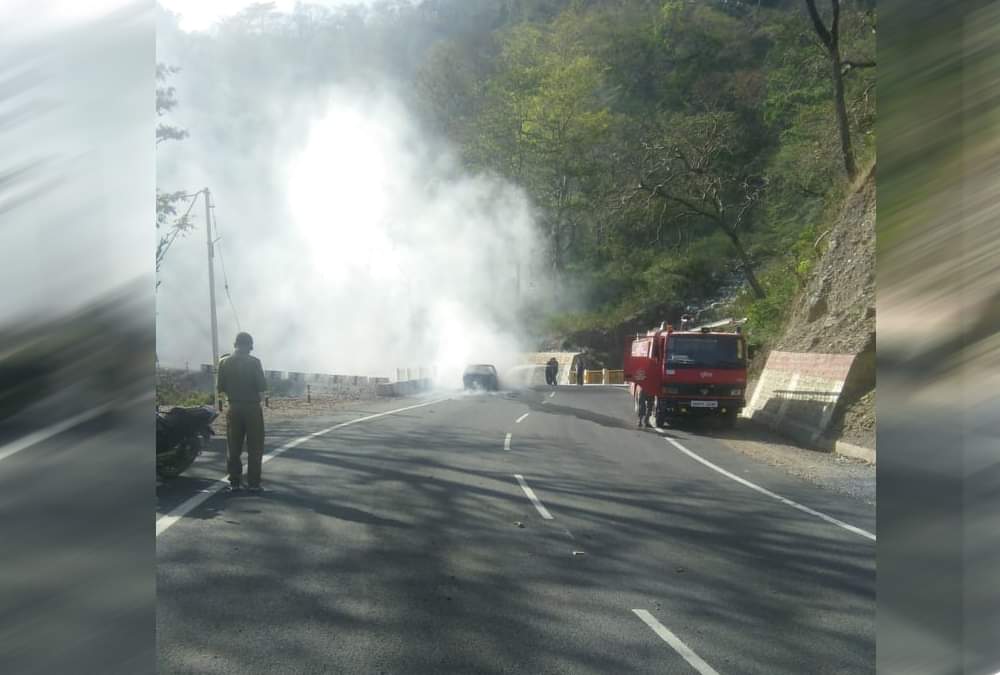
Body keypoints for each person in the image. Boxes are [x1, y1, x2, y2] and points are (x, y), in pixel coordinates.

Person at [217, 331, 267, 492]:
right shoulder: (255, 362)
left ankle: (235, 482)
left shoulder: (224, 362)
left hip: (233, 407)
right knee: (255, 447)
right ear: (250, 346)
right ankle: (254, 484)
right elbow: (262, 389)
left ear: (235, 344)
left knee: (233, 447)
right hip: (252, 408)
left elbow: (220, 388)